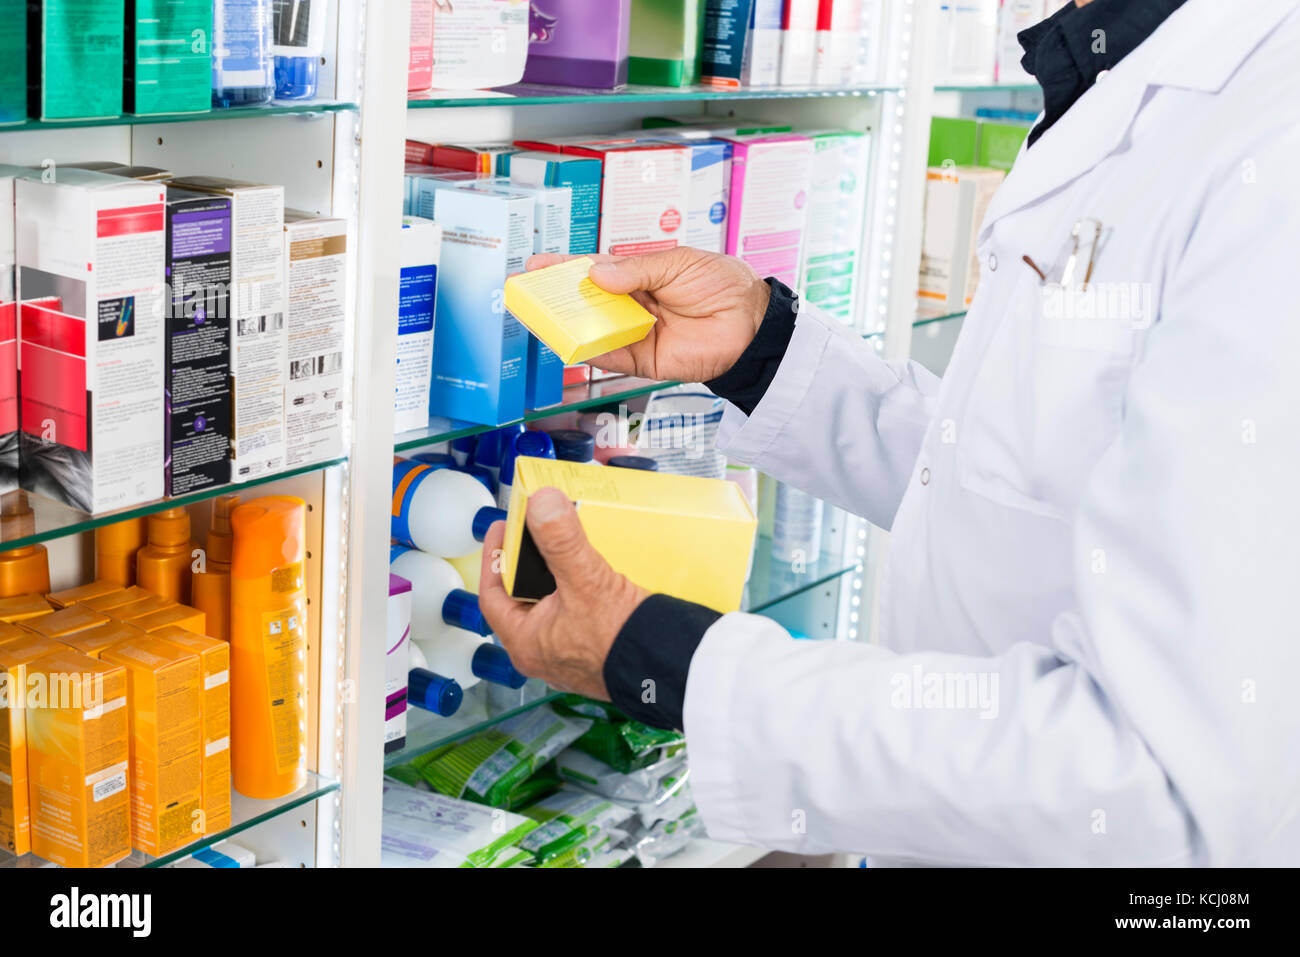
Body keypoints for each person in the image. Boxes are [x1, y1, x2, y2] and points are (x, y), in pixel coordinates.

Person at [478, 0, 1300, 864]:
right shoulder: (1116, 68)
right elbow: (1029, 482)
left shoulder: (1268, 148)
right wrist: (763, 349)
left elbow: (1161, 793)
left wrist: (667, 659)